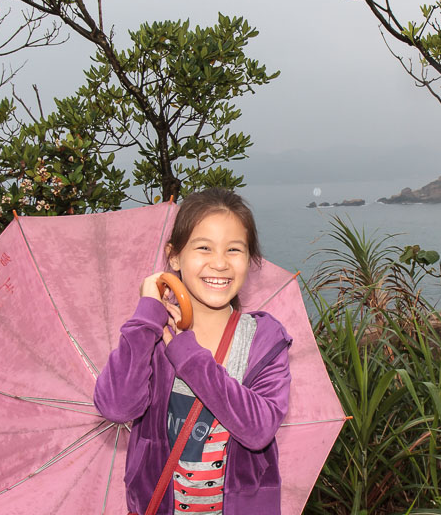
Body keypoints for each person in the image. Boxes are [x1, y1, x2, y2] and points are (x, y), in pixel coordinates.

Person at [94, 189, 292, 515]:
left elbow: (258, 430)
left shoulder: (264, 339)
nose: (220, 263)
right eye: (204, 248)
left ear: (249, 259)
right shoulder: (151, 336)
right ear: (174, 257)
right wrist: (146, 315)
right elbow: (116, 407)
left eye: (234, 249)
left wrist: (188, 356)